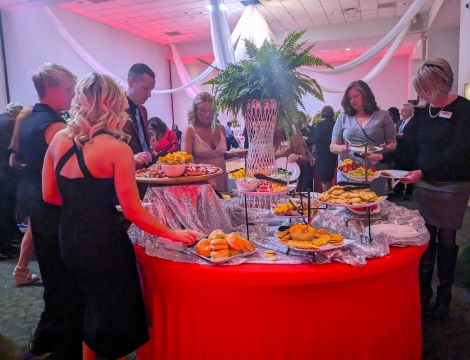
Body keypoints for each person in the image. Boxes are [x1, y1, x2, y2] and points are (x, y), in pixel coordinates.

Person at [42, 73, 198, 359]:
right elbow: (133, 211)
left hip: (68, 237)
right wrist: (173, 233)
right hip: (104, 243)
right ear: (110, 103)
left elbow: (49, 195)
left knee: (88, 309)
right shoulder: (117, 149)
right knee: (113, 319)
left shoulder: (58, 140)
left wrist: (82, 204)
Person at [367, 59, 470, 319]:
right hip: (425, 184)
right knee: (426, 236)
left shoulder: (464, 110)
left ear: (440, 84)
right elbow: (410, 147)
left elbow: (459, 153)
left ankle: (445, 295)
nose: (422, 96)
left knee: (447, 239)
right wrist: (382, 158)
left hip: (452, 185)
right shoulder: (423, 113)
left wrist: (424, 171)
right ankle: (424, 293)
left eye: (426, 90)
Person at [17, 63, 76, 357]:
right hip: (53, 205)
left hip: (35, 203)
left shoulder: (27, 119)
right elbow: (68, 173)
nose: (72, 94)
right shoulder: (54, 126)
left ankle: (45, 339)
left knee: (52, 276)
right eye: (68, 89)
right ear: (50, 88)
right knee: (63, 277)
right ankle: (63, 347)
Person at [329, 80, 397, 196]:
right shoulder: (343, 117)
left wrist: (384, 149)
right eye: (349, 98)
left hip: (374, 170)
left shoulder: (383, 115)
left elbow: (393, 144)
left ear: (366, 95)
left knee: (373, 206)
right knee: (348, 204)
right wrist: (340, 148)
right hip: (348, 171)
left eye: (355, 96)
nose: (352, 101)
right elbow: (332, 145)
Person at [181, 92, 246, 192]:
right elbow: (186, 161)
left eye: (211, 111)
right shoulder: (190, 131)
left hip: (221, 177)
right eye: (203, 110)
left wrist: (237, 154)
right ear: (195, 110)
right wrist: (203, 175)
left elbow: (221, 155)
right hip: (201, 181)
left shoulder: (221, 128)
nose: (207, 115)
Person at [125, 63, 155, 199]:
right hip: (126, 176)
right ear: (131, 82)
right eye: (145, 89)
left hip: (145, 175)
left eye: (151, 90)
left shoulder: (142, 110)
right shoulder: (115, 110)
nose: (149, 94)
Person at [0, 102, 23, 259]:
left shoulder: (2, 119)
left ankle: (11, 235)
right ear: (16, 112)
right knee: (6, 209)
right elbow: (14, 147)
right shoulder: (11, 123)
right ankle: (5, 246)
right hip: (5, 172)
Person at [389, 103, 415, 200]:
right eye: (401, 110)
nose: (401, 112)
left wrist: (403, 136)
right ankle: (398, 192)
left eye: (403, 110)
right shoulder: (400, 122)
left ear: (410, 111)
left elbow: (417, 137)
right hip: (399, 152)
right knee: (398, 172)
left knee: (408, 172)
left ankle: (408, 193)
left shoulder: (415, 122)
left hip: (410, 153)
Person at [314, 106, 337, 191]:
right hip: (332, 154)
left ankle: (326, 198)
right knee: (330, 178)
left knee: (323, 179)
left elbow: (317, 138)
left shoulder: (320, 125)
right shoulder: (335, 124)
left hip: (322, 154)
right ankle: (330, 197)